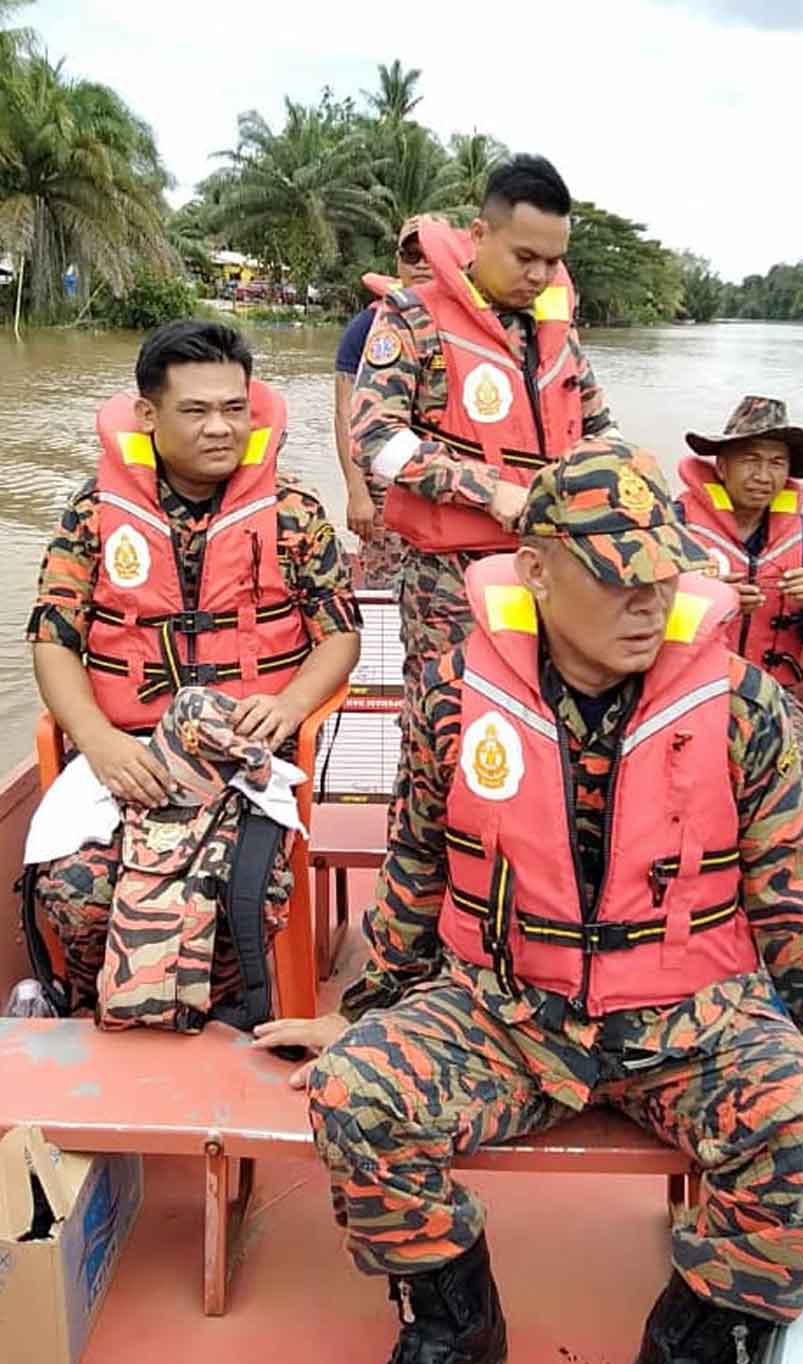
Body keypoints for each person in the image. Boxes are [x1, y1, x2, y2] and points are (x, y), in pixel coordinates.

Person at [254, 440, 803, 1364]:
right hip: (506, 1009)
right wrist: (364, 1011)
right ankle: (452, 1322)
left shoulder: (744, 706)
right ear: (536, 568)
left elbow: (793, 902)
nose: (648, 601)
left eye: (663, 574)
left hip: (694, 1017)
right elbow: (421, 865)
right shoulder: (452, 694)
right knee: (355, 1095)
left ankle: (690, 1352)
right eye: (618, 575)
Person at [24, 318, 360, 1020]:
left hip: (245, 758)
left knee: (240, 893)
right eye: (196, 410)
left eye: (235, 409)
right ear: (148, 414)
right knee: (77, 893)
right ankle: (98, 1002)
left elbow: (340, 635)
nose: (220, 428)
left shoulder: (294, 512)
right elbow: (53, 640)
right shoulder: (92, 514)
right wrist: (100, 739)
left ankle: (217, 1015)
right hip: (127, 757)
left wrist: (292, 705)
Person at [350, 153, 615, 699]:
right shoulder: (411, 320)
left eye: (552, 261)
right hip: (449, 581)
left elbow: (601, 436)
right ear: (479, 234)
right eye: (525, 257)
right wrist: (488, 491)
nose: (539, 276)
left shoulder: (555, 333)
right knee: (446, 720)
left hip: (554, 571)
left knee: (543, 723)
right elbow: (375, 438)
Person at [678, 396, 803, 799]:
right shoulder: (675, 524)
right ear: (723, 465)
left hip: (774, 695)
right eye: (750, 459)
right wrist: (708, 599)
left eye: (776, 463)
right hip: (683, 687)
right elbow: (632, 614)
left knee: (800, 773)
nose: (763, 475)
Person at [334, 217, 433, 588]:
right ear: (398, 262)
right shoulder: (368, 326)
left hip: (452, 487)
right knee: (386, 587)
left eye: (430, 255)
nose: (421, 263)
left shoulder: (473, 326)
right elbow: (346, 413)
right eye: (411, 254)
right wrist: (357, 493)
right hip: (386, 485)